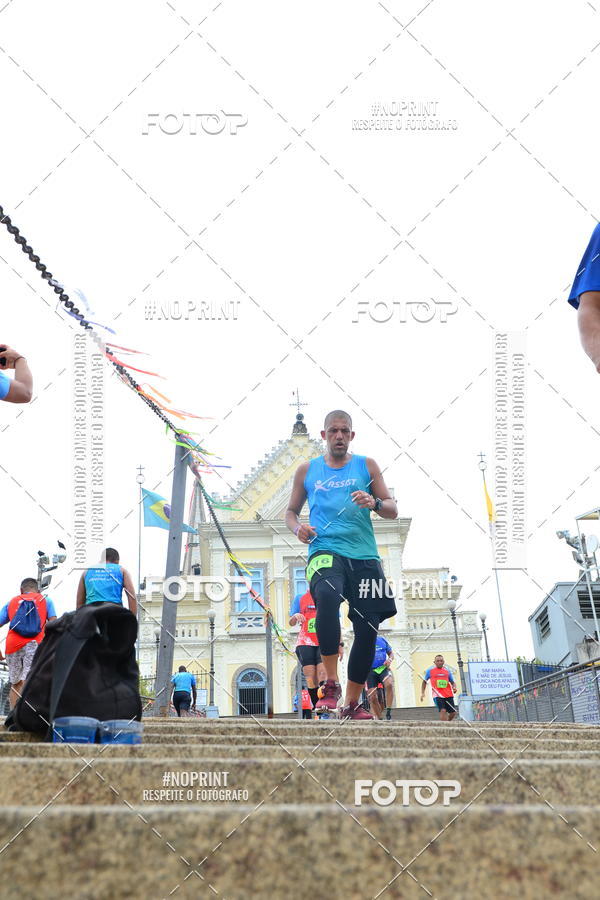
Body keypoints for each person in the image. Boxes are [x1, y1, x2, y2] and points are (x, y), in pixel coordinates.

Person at [286, 409, 398, 720]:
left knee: (368, 626)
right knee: (327, 596)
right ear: (323, 436)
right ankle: (331, 683)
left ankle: (350, 703)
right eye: (333, 430)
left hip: (364, 555)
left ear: (351, 435)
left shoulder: (367, 465)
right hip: (324, 549)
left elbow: (392, 509)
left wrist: (374, 503)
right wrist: (299, 530)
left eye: (344, 431)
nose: (338, 435)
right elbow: (291, 513)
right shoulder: (307, 470)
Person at [0, 578, 57, 708]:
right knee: (29, 678)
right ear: (38, 590)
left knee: (15, 682)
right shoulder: (46, 600)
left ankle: (13, 715)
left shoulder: (11, 602)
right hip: (34, 643)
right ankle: (25, 714)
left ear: (21, 590)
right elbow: (54, 623)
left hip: (12, 645)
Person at [289, 588, 342, 712]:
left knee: (322, 674)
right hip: (305, 641)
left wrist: (340, 644)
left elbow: (336, 622)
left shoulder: (329, 596)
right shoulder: (300, 597)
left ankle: (325, 704)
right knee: (310, 676)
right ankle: (317, 705)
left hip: (324, 640)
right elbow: (291, 622)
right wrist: (295, 616)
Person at [76, 548, 137, 614]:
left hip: (91, 611)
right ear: (117, 561)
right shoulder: (122, 570)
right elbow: (132, 597)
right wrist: (132, 620)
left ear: (101, 560)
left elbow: (79, 604)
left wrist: (80, 620)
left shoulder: (86, 572)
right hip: (114, 610)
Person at [420, 654, 458, 721]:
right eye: (437, 661)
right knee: (443, 710)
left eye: (441, 661)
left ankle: (447, 723)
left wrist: (454, 687)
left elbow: (452, 682)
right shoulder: (430, 671)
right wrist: (423, 693)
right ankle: (445, 727)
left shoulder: (447, 672)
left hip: (448, 694)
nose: (439, 662)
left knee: (453, 712)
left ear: (443, 662)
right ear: (434, 662)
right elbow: (424, 682)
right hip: (437, 695)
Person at [366, 634, 394, 720]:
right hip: (370, 671)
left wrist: (389, 660)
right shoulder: (364, 640)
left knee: (389, 684)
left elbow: (391, 654)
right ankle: (380, 718)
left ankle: (388, 711)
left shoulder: (382, 640)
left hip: (382, 669)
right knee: (373, 697)